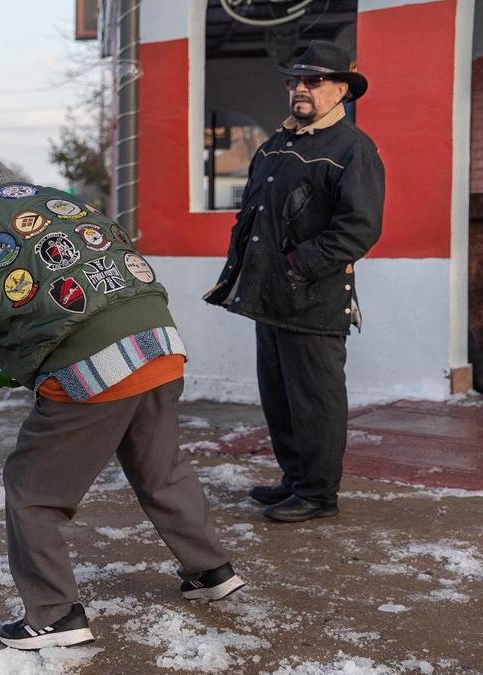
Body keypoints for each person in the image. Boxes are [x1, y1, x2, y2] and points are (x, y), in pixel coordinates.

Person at [0, 154, 243, 651]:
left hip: (93, 369)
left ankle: (55, 615)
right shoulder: (61, 203)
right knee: (160, 467)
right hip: (159, 344)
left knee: (32, 487)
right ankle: (211, 570)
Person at [204, 41, 385, 523]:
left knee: (316, 402)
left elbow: (359, 229)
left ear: (341, 89)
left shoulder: (353, 148)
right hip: (269, 296)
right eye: (293, 81)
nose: (299, 89)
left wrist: (297, 265)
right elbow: (255, 216)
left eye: (313, 80)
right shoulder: (275, 145)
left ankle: (319, 494)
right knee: (280, 396)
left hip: (315, 298)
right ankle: (294, 479)